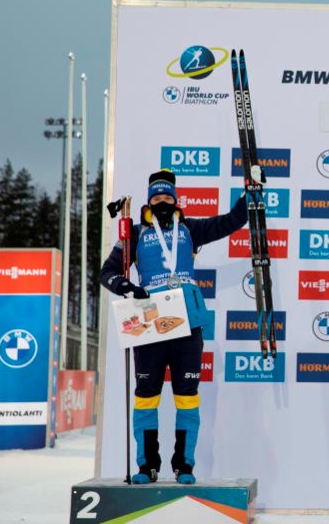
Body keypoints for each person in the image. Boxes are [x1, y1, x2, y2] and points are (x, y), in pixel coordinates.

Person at [100, 169, 248, 484]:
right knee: (147, 396)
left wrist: (250, 197)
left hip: (188, 323)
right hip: (149, 321)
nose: (163, 201)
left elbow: (230, 222)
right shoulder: (135, 233)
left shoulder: (190, 229)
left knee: (186, 396)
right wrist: (128, 288)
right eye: (157, 197)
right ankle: (146, 466)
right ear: (149, 201)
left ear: (176, 200)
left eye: (168, 197)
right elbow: (107, 272)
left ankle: (184, 466)